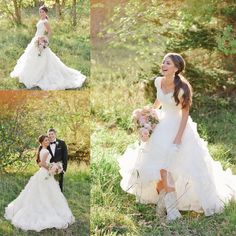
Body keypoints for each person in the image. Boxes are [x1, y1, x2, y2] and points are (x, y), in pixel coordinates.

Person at [118, 53, 236, 221]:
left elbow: (185, 114)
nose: (164, 65)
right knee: (158, 167)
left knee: (168, 167)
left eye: (168, 63)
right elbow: (158, 102)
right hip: (161, 126)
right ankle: (163, 203)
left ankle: (173, 210)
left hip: (177, 127)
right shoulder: (158, 81)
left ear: (176, 68)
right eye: (163, 62)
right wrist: (148, 116)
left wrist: (178, 138)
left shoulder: (182, 88)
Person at [4, 135, 75, 232]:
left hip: (43, 173)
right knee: (44, 192)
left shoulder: (42, 150)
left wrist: (53, 167)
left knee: (45, 192)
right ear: (41, 142)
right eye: (46, 140)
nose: (48, 141)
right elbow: (41, 164)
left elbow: (40, 163)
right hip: (44, 173)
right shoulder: (45, 151)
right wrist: (52, 167)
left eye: (48, 140)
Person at [10, 5, 86, 90]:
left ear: (46, 12)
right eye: (40, 12)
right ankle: (29, 74)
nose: (41, 13)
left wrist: (44, 39)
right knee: (31, 57)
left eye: (42, 12)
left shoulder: (45, 21)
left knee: (42, 57)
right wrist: (40, 37)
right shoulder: (41, 20)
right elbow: (43, 30)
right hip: (36, 40)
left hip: (40, 41)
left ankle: (40, 75)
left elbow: (50, 32)